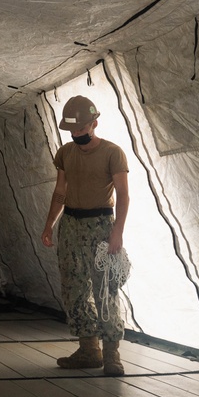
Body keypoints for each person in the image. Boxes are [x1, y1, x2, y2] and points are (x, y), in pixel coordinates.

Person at [41, 95, 130, 376]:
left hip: (101, 225)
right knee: (74, 289)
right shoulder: (66, 153)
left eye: (81, 129)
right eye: (72, 131)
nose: (76, 135)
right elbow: (60, 192)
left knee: (105, 291)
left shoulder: (113, 153)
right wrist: (49, 225)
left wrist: (117, 233)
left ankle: (112, 354)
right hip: (70, 224)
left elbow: (124, 196)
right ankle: (89, 350)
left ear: (94, 123)